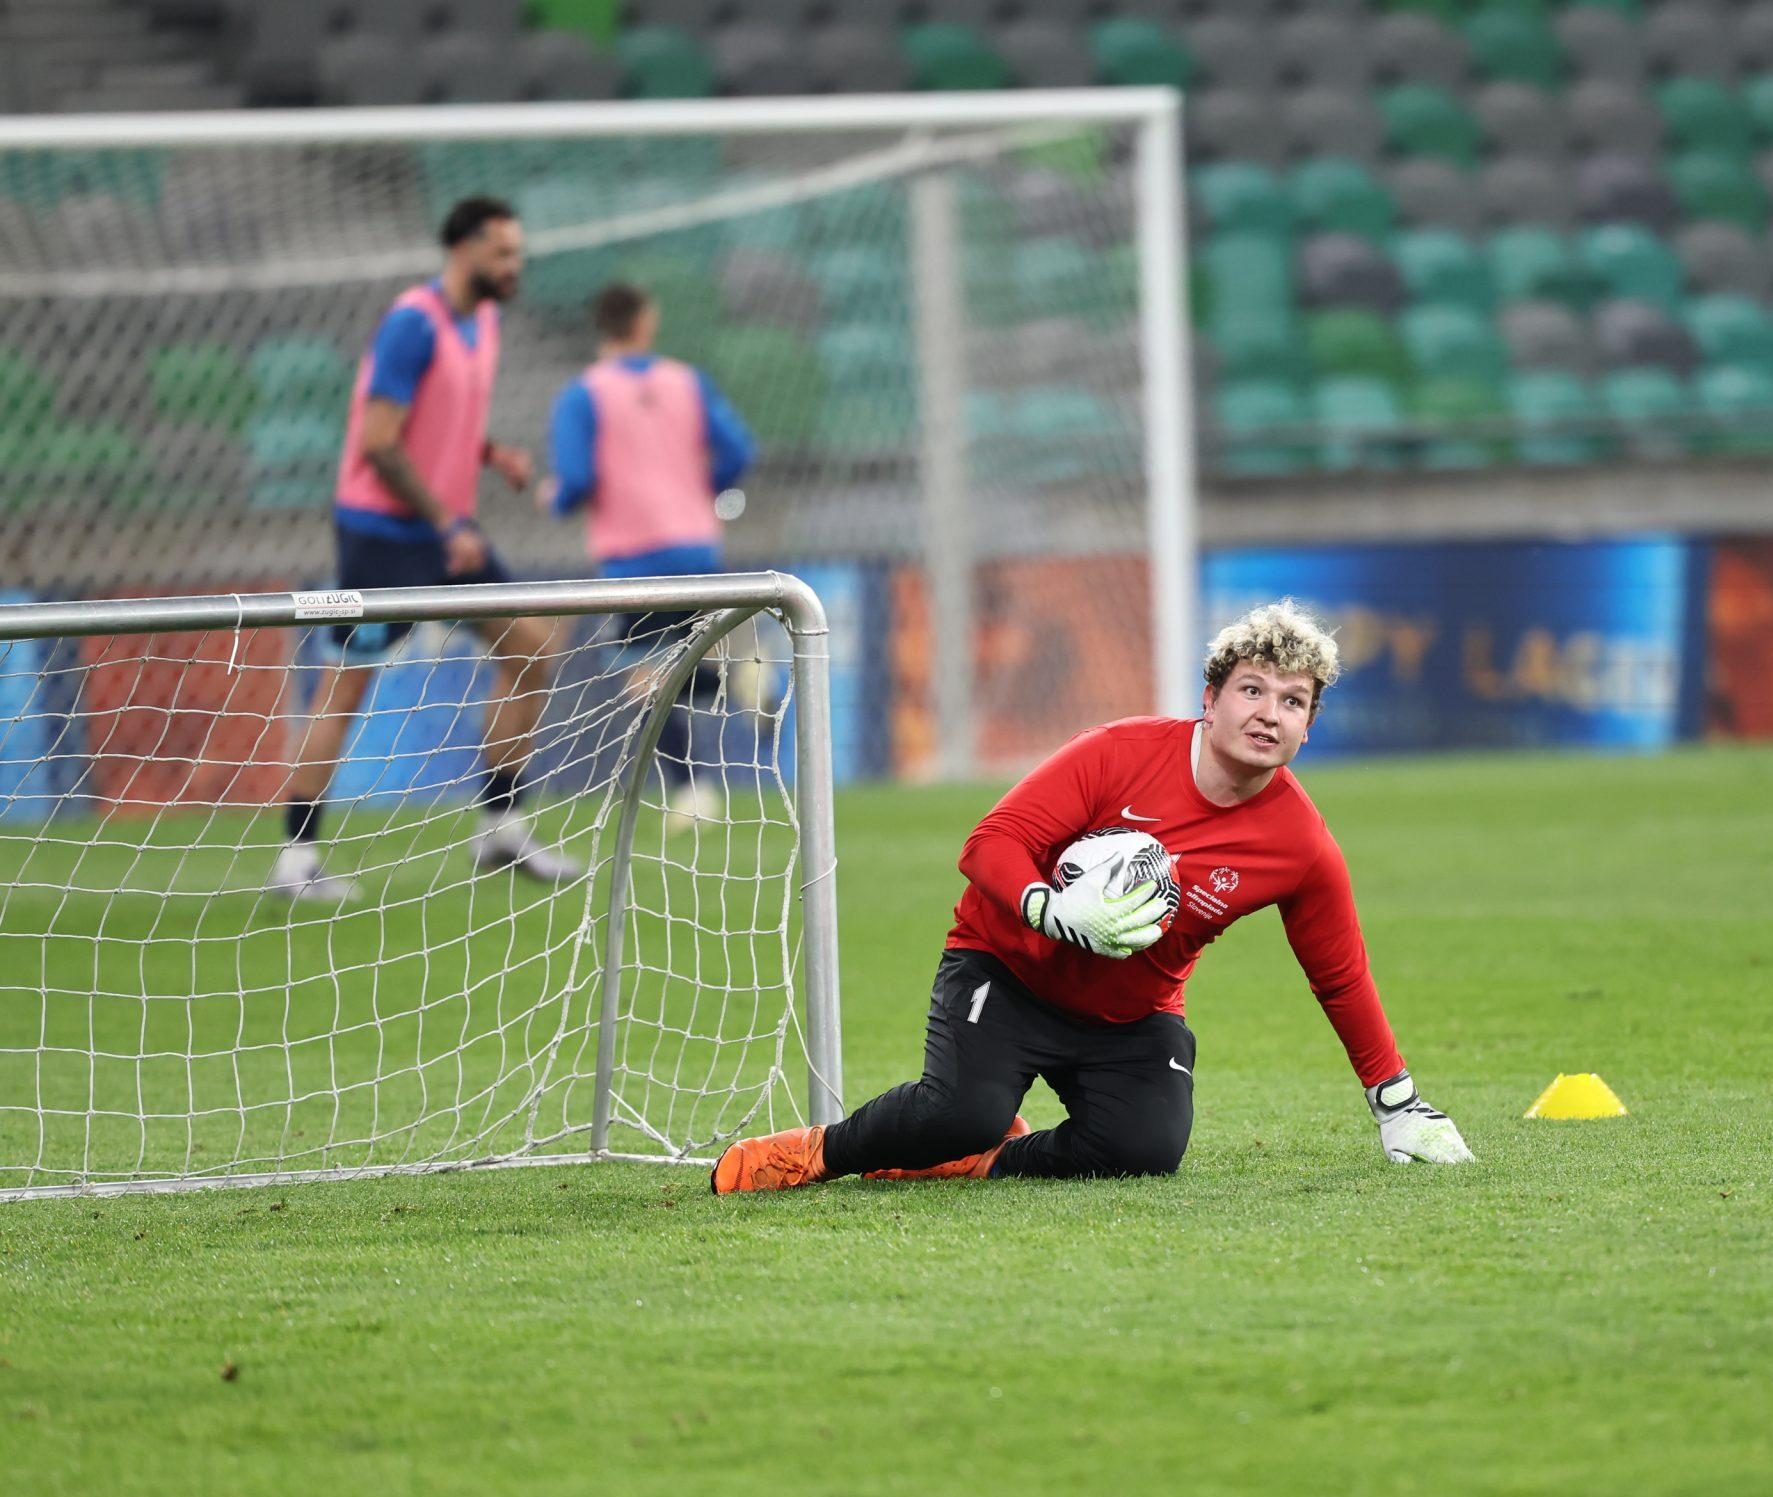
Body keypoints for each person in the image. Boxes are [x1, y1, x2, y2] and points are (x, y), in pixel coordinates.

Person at [711, 600, 1475, 1191]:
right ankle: (817, 1152)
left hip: (1129, 1016)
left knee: (1145, 1149)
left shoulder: (1300, 845)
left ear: (1308, 727)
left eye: (1293, 701)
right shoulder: (1119, 753)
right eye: (1252, 689)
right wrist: (1047, 908)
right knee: (959, 1111)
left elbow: (1339, 975)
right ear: (1210, 698)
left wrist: (1397, 1104)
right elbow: (988, 844)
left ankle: (982, 1160)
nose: (1269, 713)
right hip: (1005, 970)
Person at [267, 195, 579, 904]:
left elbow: (435, 421)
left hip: (446, 534)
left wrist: (489, 454)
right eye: (503, 252)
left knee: (532, 648)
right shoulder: (413, 323)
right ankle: (296, 857)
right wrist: (445, 522)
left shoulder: (485, 321)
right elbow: (379, 442)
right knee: (347, 687)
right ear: (464, 250)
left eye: (518, 252)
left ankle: (501, 826)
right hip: (386, 535)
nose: (515, 265)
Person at [541, 282, 757, 827]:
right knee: (686, 657)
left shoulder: (583, 395)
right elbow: (738, 449)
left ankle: (690, 788)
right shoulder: (687, 381)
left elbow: (576, 478)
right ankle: (734, 680)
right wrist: (701, 489)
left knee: (642, 678)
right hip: (696, 547)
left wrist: (556, 498)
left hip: (634, 557)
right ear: (645, 322)